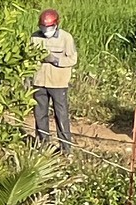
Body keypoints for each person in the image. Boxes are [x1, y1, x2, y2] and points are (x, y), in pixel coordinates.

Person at [31, 10, 77, 153]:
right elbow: (28, 58)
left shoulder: (66, 38)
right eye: (43, 27)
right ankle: (43, 145)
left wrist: (55, 60)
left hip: (58, 83)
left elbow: (72, 59)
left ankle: (65, 148)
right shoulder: (35, 37)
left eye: (49, 27)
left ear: (56, 25)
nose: (46, 30)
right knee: (40, 114)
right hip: (39, 81)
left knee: (61, 114)